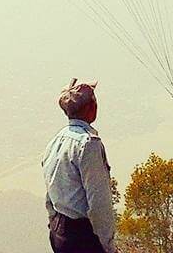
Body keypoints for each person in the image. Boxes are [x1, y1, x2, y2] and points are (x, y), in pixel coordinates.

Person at [42, 79, 116, 253]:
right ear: (91, 107)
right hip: (83, 237)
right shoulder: (88, 144)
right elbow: (99, 202)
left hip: (59, 232)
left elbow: (50, 191)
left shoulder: (54, 142)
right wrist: (108, 246)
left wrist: (54, 222)